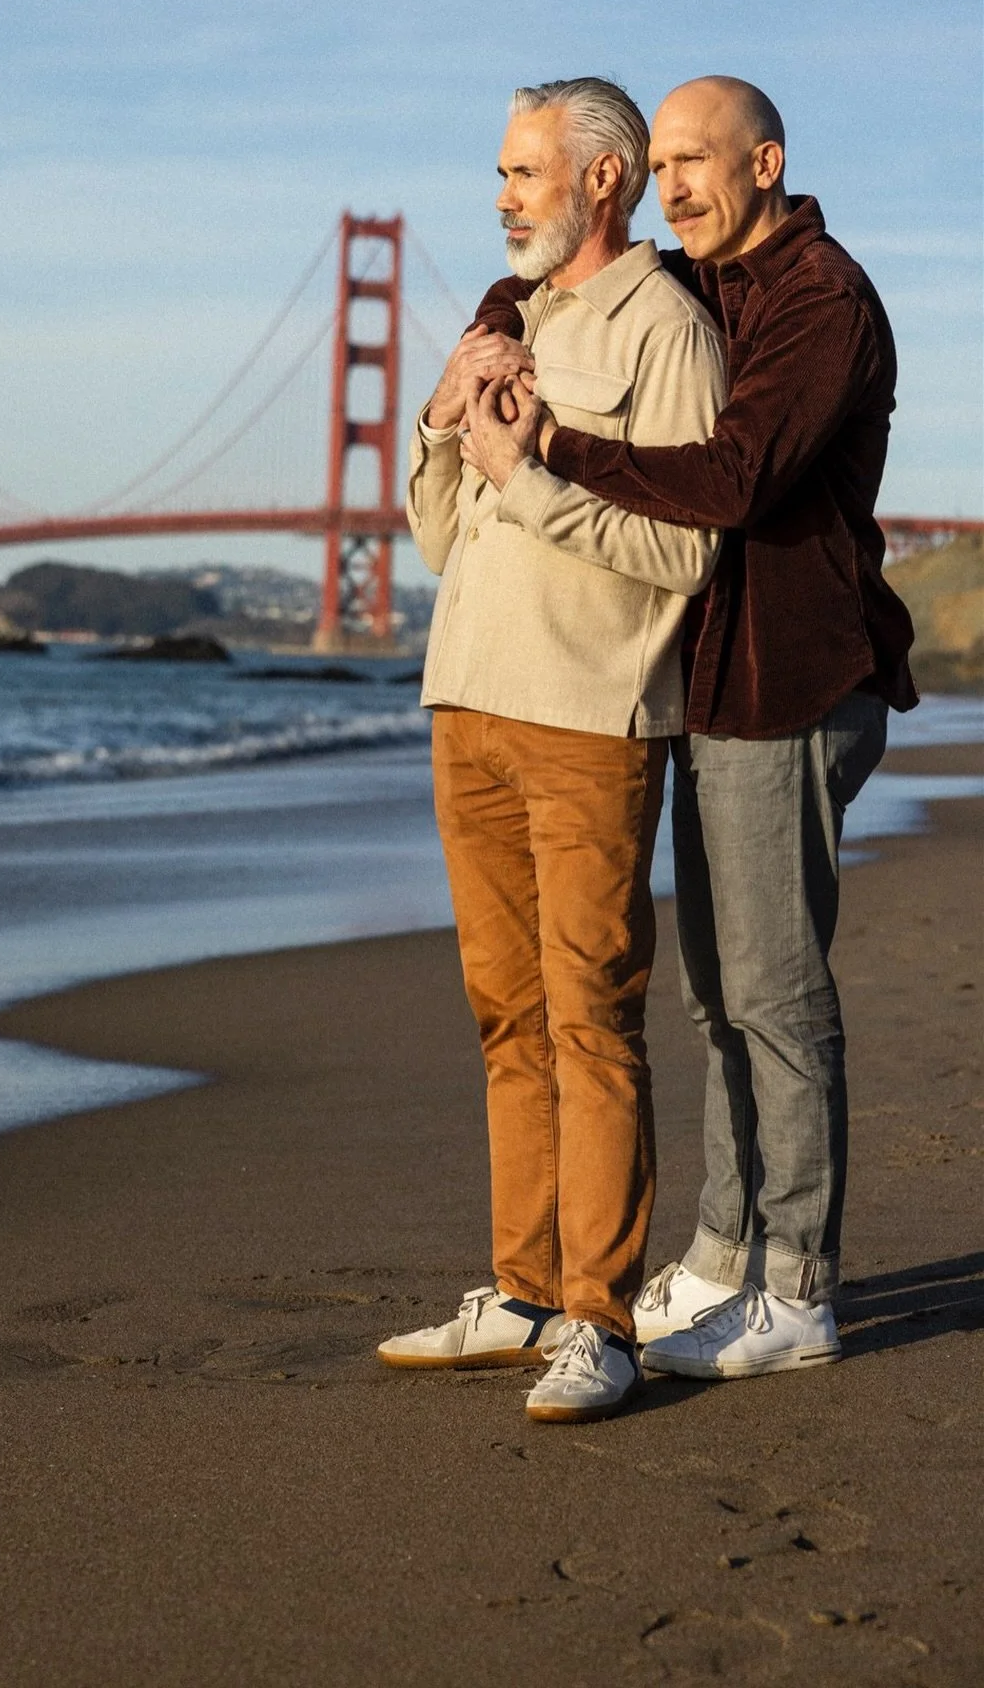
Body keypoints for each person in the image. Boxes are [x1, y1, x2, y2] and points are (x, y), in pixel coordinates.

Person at [491, 75, 917, 1378]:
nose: (672, 182)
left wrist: (553, 442)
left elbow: (733, 479)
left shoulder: (819, 296)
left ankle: (800, 1287)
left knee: (777, 992)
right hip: (713, 686)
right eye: (660, 162)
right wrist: (492, 333)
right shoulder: (706, 280)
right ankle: (726, 1253)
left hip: (794, 683)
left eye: (697, 159)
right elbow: (560, 268)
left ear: (767, 160)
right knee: (713, 991)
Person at [377, 77, 724, 1422]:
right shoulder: (505, 321)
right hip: (465, 703)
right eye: (501, 174)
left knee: (591, 1020)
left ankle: (604, 1321)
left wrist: (535, 479)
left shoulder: (668, 330)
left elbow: (686, 551)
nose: (502, 196)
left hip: (589, 719)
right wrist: (442, 419)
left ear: (602, 181)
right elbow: (440, 540)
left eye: (523, 173)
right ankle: (523, 1293)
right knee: (504, 1015)